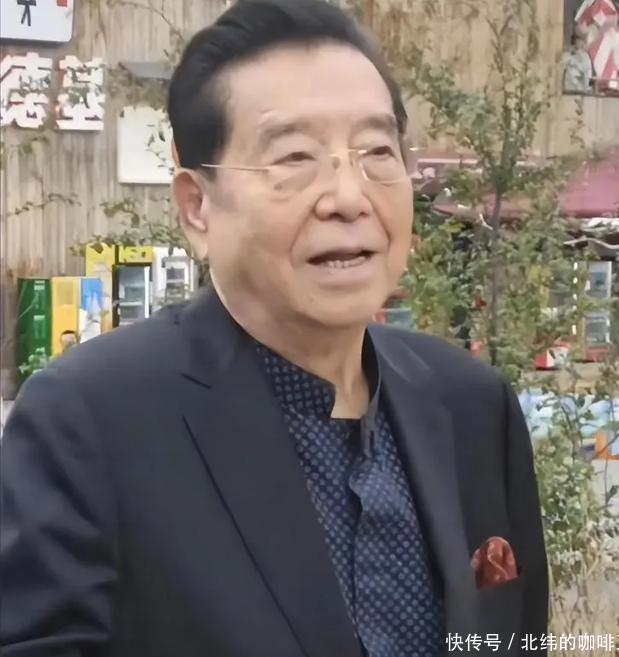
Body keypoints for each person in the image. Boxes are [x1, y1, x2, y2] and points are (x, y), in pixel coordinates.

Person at [0, 1, 548, 656]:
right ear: (197, 207)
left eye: (378, 151)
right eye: (294, 158)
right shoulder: (90, 420)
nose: (348, 197)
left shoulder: (472, 405)